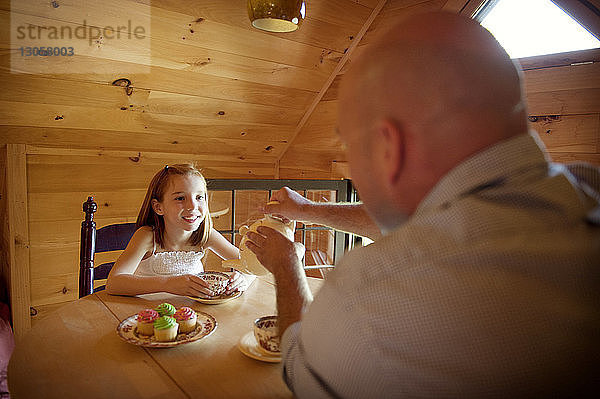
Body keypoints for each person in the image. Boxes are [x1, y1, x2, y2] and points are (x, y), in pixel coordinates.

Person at [244, 11, 600, 398]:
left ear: (387, 147)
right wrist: (309, 211)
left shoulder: (372, 295)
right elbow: (442, 227)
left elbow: (300, 368)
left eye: (349, 144)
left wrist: (286, 265)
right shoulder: (585, 187)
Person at [106, 164, 248, 298]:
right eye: (180, 198)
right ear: (158, 207)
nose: (192, 206)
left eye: (199, 197)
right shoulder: (147, 237)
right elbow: (114, 283)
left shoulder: (206, 235)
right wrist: (166, 284)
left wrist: (243, 280)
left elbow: (250, 266)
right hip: (149, 315)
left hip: (193, 315)